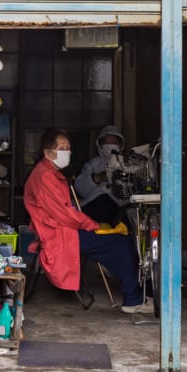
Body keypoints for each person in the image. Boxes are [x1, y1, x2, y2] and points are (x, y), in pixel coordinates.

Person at [24, 128, 153, 314]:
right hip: (59, 234)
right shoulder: (45, 176)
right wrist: (92, 225)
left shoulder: (48, 172)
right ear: (47, 152)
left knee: (120, 239)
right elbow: (64, 214)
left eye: (68, 147)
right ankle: (132, 299)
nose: (66, 151)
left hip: (62, 229)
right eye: (61, 147)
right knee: (120, 243)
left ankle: (138, 292)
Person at [73, 125, 128, 226]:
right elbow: (80, 188)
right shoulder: (92, 164)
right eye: (107, 142)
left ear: (120, 144)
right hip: (94, 206)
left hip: (119, 210)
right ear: (100, 145)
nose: (110, 145)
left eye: (114, 142)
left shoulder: (129, 163)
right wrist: (98, 178)